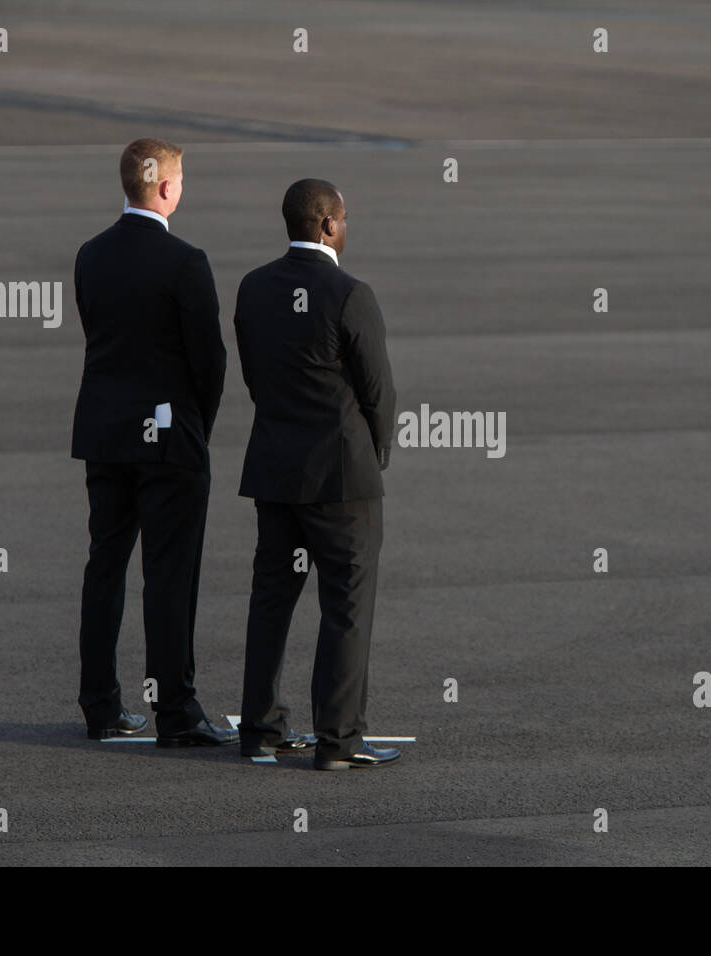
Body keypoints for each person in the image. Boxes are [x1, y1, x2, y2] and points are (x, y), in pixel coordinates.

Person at [71, 137, 235, 747]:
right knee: (169, 575)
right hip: (168, 443)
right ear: (164, 188)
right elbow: (209, 361)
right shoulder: (185, 262)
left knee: (104, 567)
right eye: (182, 179)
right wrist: (195, 427)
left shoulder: (90, 254)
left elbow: (101, 339)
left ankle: (100, 704)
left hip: (104, 434)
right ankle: (176, 710)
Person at [234, 178, 399, 770]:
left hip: (276, 471)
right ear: (328, 224)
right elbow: (379, 393)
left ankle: (260, 729)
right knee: (347, 607)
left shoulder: (253, 288)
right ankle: (339, 740)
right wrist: (373, 455)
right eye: (345, 218)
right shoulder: (351, 294)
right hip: (341, 480)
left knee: (270, 601)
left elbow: (255, 378)